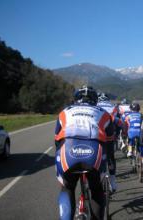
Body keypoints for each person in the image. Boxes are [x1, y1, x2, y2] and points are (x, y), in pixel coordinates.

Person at [55, 85, 114, 220]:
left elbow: (57, 140)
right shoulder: (103, 113)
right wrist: (109, 162)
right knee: (96, 189)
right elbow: (110, 143)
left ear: (76, 99)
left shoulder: (64, 112)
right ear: (95, 100)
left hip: (68, 151)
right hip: (93, 154)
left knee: (67, 187)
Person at [97, 92, 122, 192]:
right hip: (110, 136)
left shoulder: (95, 106)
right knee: (111, 157)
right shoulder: (113, 107)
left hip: (97, 136)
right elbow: (119, 121)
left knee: (97, 158)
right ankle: (112, 181)